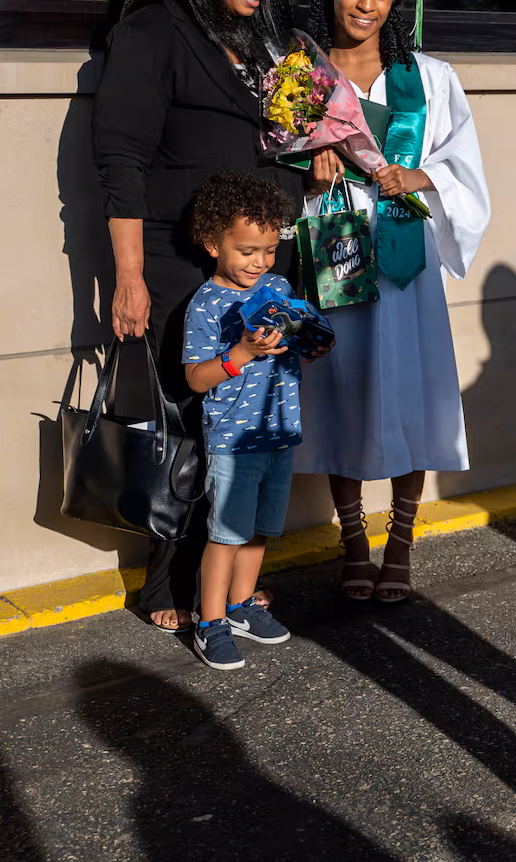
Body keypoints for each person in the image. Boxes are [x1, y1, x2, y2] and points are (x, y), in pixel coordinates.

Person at [93, 0, 305, 633]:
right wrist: (127, 277)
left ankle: (229, 588)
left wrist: (321, 155)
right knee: (186, 421)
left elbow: (277, 136)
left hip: (257, 261)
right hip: (177, 262)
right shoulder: (153, 34)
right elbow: (120, 159)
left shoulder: (260, 43)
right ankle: (165, 587)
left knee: (246, 421)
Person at [292, 0, 491, 604]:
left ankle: (400, 546)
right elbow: (271, 159)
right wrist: (305, 168)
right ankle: (352, 543)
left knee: (413, 396)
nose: (367, 4)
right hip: (337, 250)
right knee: (340, 396)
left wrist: (423, 174)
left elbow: (464, 164)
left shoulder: (430, 77)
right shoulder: (301, 77)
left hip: (406, 263)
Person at [181, 173, 324, 670]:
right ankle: (210, 621)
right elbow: (197, 379)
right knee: (225, 534)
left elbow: (297, 348)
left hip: (280, 432)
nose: (259, 263)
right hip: (233, 441)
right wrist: (241, 350)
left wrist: (311, 343)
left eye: (267, 249)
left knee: (259, 529)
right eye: (245, 250)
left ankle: (241, 605)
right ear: (211, 243)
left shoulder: (279, 287)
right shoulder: (205, 305)